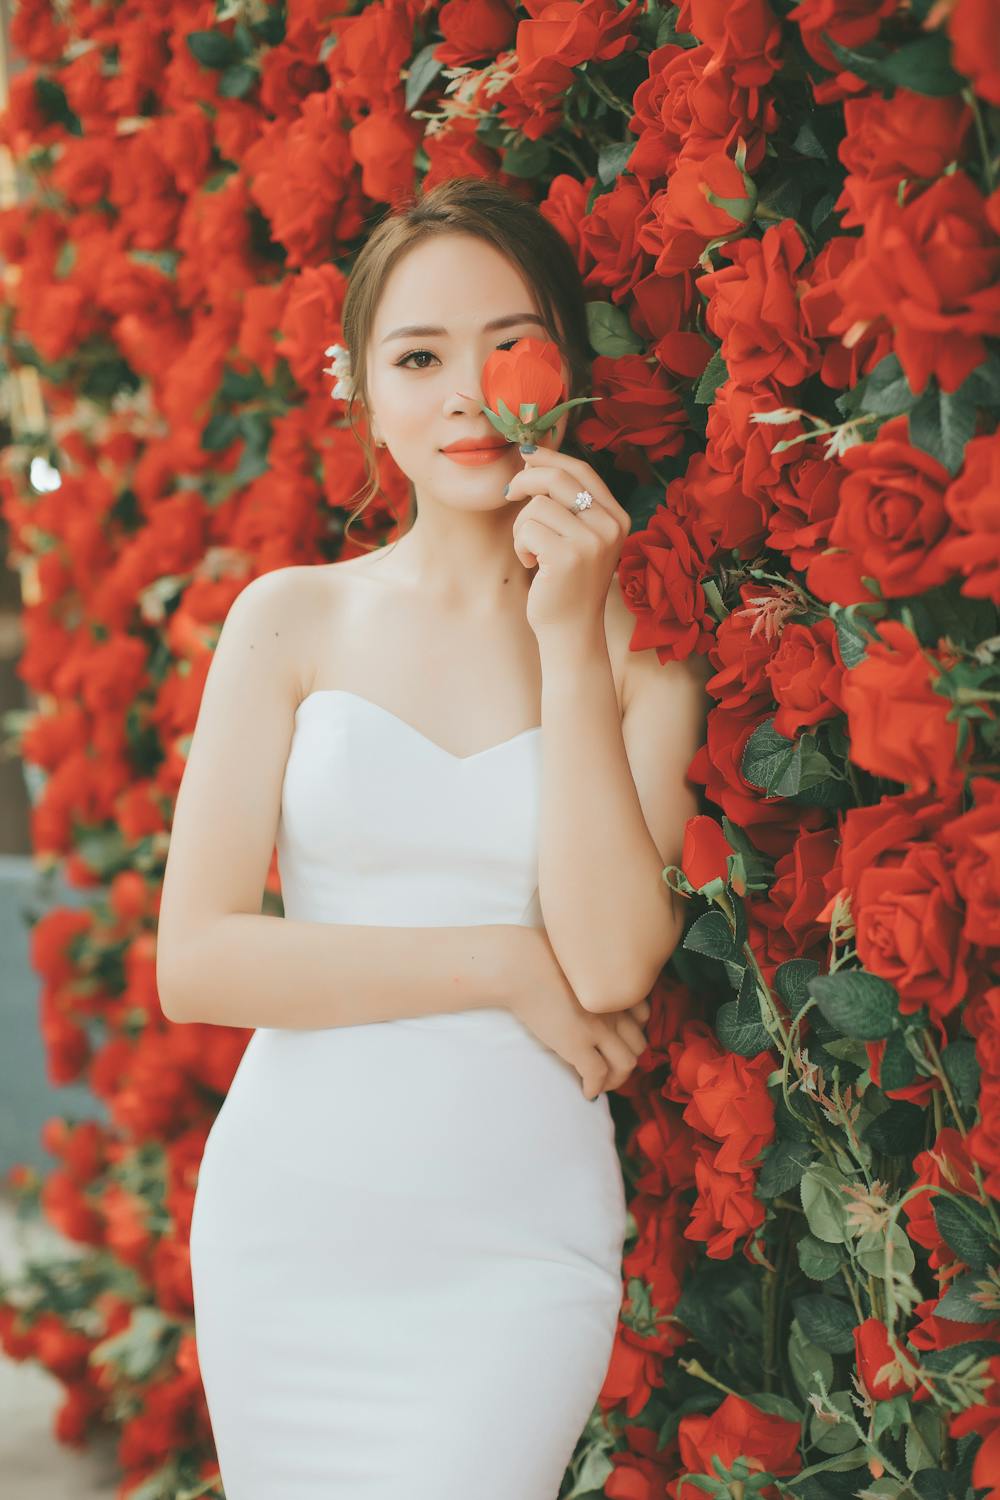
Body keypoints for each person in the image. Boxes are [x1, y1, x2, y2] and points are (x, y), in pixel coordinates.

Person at [156, 176, 704, 1498]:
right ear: (359, 387)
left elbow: (614, 963)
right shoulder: (289, 620)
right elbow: (200, 961)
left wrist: (568, 637)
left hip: (516, 1244)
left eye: (506, 343)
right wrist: (501, 966)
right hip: (293, 1225)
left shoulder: (644, 656)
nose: (467, 392)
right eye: (418, 356)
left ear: (565, 369)